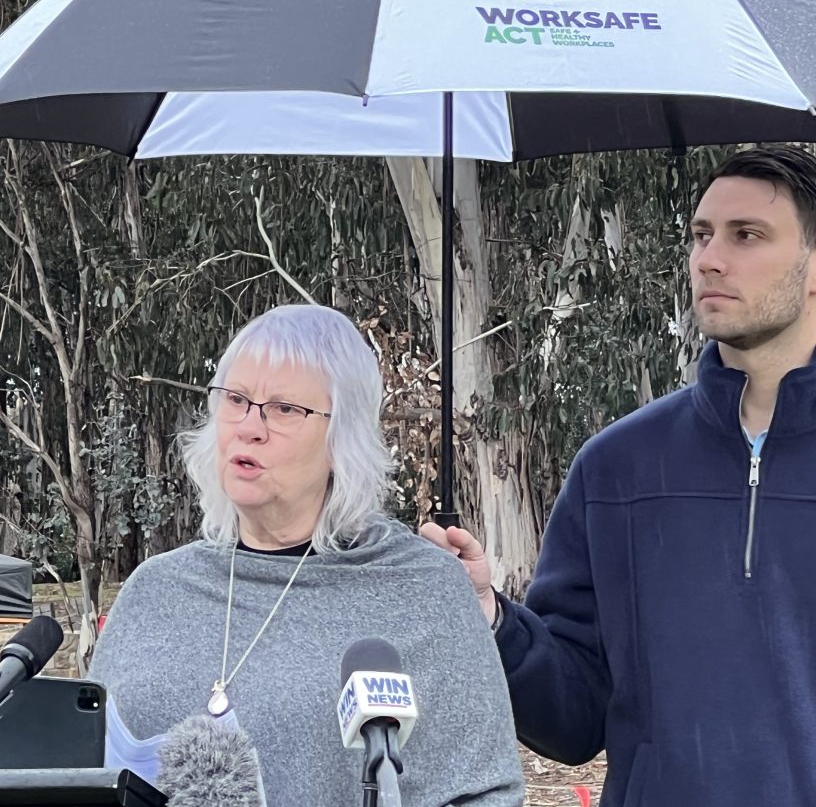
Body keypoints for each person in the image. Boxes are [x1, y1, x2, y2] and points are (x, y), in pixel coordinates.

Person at [423, 146, 816, 807]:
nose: (709, 258)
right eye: (701, 235)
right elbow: (574, 718)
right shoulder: (617, 468)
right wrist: (492, 619)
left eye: (746, 235)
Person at [92, 304, 524, 806]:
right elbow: (76, 762)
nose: (249, 427)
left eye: (283, 409)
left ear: (344, 438)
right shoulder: (154, 589)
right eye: (236, 399)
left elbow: (486, 793)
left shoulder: (424, 590)